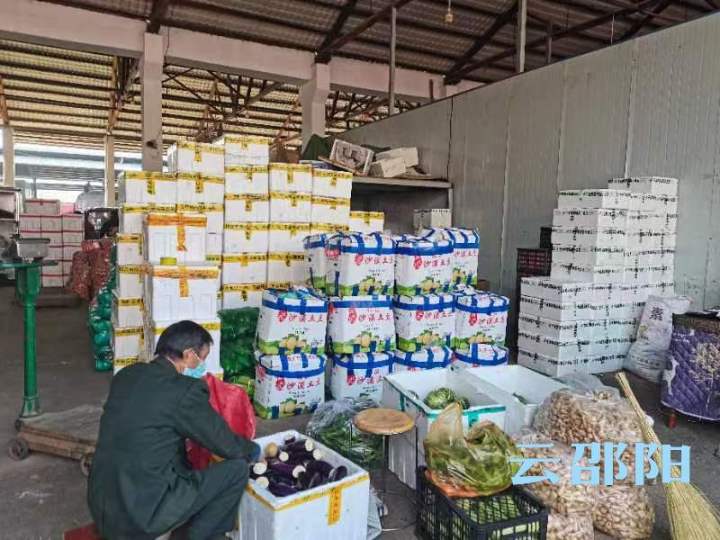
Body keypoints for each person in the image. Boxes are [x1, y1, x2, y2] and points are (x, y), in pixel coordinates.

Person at [88, 320, 260, 540]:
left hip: (103, 505)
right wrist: (253, 450)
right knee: (236, 470)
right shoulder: (184, 390)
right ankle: (201, 535)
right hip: (142, 516)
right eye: (202, 358)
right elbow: (226, 444)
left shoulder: (127, 375)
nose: (202, 366)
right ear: (188, 355)